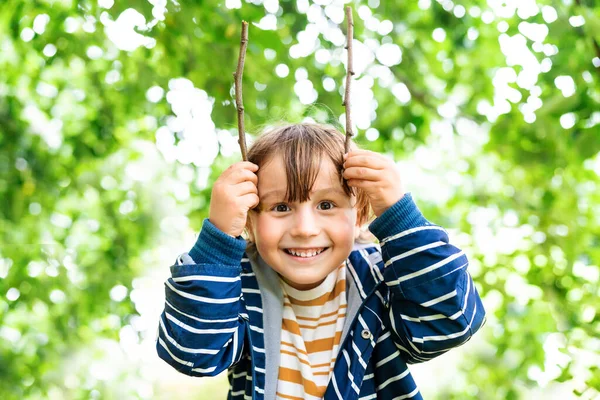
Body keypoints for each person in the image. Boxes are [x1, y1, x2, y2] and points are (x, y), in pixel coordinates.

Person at [156, 123, 486, 400]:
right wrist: (217, 242)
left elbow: (450, 322)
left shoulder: (382, 276)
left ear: (358, 215)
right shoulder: (237, 287)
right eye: (281, 207)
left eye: (326, 205)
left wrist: (400, 217)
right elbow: (193, 354)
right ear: (249, 223)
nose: (304, 229)